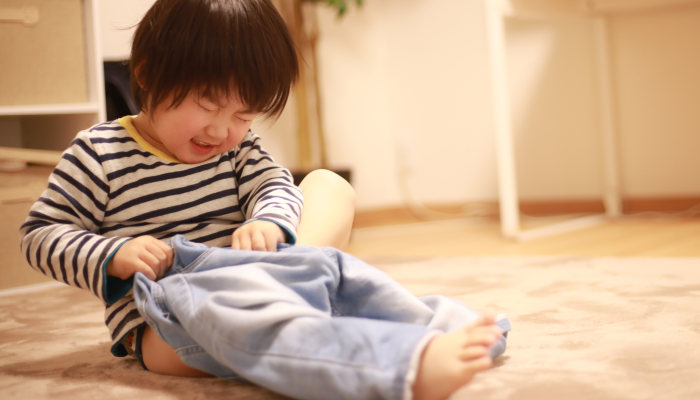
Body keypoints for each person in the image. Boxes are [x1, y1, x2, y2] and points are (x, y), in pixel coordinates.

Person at [19, 1, 508, 399]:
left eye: (244, 114)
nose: (222, 129)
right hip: (171, 317)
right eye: (207, 104)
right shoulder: (99, 153)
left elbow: (274, 186)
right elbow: (40, 235)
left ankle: (432, 325)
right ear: (147, 73)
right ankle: (400, 365)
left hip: (264, 273)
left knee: (327, 187)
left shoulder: (238, 148)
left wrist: (272, 225)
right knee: (263, 326)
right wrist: (112, 254)